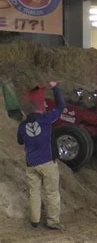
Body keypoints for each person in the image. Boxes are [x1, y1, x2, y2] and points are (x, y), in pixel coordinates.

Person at [17, 81, 65, 230]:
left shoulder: (22, 125)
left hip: (31, 164)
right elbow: (61, 106)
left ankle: (34, 221)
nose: (45, 106)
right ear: (39, 106)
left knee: (34, 193)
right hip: (48, 163)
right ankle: (52, 221)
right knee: (51, 192)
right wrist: (55, 87)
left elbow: (19, 141)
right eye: (44, 104)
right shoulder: (46, 119)